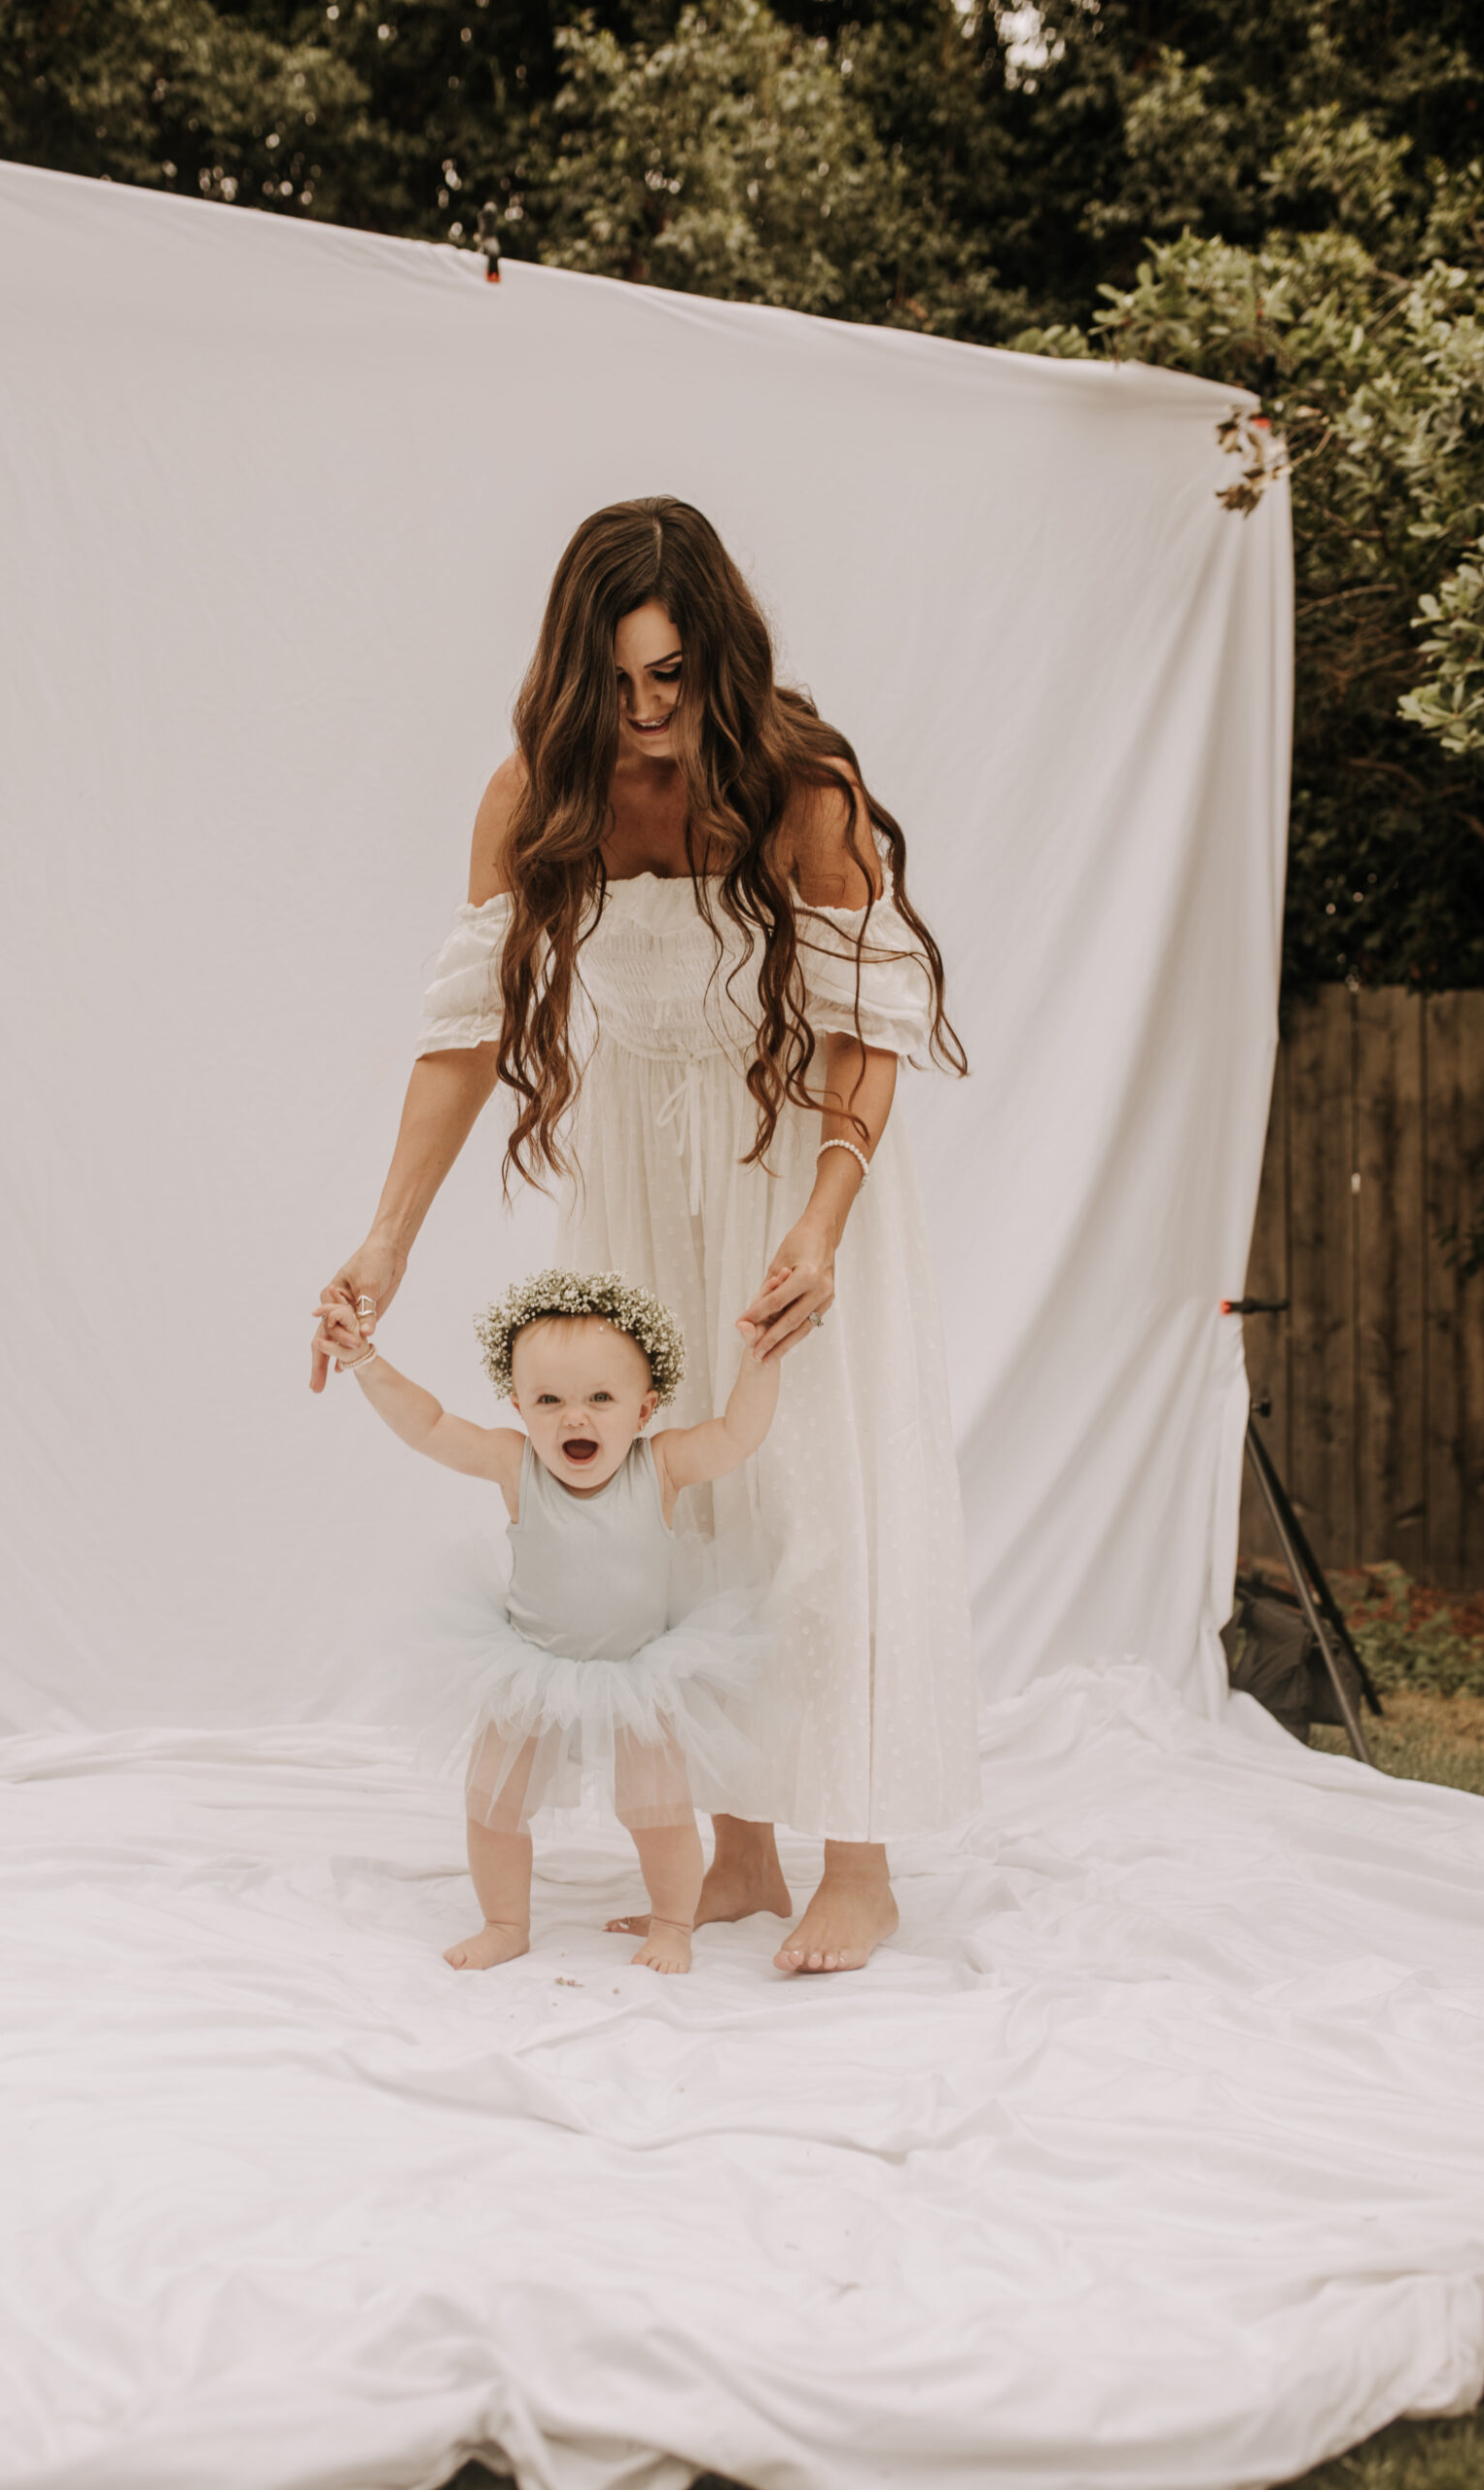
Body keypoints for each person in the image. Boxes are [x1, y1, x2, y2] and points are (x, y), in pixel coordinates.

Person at [312, 495, 981, 1974]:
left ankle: (854, 1861)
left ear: (717, 658)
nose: (645, 714)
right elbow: (464, 1035)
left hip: (794, 1174)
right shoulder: (530, 795)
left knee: (809, 1495)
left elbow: (870, 1024)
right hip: (633, 1164)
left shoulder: (801, 785)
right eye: (615, 683)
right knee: (669, 1507)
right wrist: (386, 1244)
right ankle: (734, 1849)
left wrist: (819, 1218)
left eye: (669, 677)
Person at [318, 1269, 780, 1974]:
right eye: (549, 1400)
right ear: (518, 1406)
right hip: (530, 1665)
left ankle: (671, 1925)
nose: (575, 1418)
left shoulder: (660, 1466)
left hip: (639, 1669)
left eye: (601, 1398)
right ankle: (505, 1921)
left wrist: (758, 1363)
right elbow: (431, 1426)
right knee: (491, 1804)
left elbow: (737, 1436)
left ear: (645, 1408)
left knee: (657, 1812)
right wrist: (363, 1360)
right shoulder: (517, 1464)